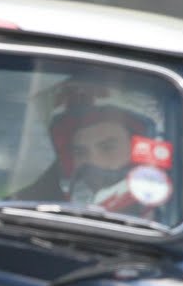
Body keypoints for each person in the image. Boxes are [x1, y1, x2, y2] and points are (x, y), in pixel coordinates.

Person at [21, 77, 173, 216]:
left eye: (108, 147)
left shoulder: (181, 210)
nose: (93, 162)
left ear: (142, 150)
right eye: (79, 152)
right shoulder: (38, 208)